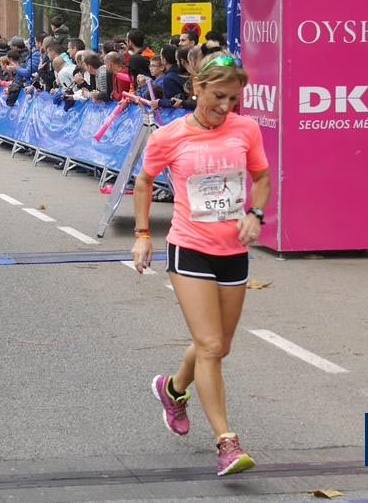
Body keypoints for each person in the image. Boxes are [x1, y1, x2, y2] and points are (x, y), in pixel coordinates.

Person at [130, 52, 269, 477]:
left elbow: (261, 177)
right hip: (189, 247)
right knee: (210, 346)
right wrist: (141, 235)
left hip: (233, 252)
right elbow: (144, 181)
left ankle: (173, 389)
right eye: (219, 97)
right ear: (198, 88)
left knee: (219, 345)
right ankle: (227, 442)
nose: (227, 107)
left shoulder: (246, 129)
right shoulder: (169, 136)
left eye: (234, 99)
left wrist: (255, 214)